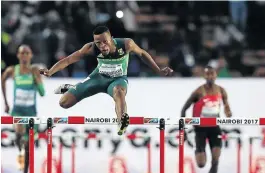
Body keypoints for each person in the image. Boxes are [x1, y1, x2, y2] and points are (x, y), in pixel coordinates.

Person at [40, 26, 173, 135]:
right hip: (97, 78)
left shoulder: (126, 44)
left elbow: (142, 53)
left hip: (117, 80)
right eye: (98, 43)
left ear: (111, 38)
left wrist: (158, 70)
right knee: (64, 103)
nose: (102, 46)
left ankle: (122, 121)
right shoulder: (91, 48)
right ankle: (71, 88)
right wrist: (50, 71)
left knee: (119, 92)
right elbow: (69, 60)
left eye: (105, 41)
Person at [181, 66, 232, 173]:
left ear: (216, 75)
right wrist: (184, 128)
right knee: (201, 164)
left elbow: (226, 106)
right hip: (200, 128)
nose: (210, 76)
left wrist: (228, 112)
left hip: (215, 127)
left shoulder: (221, 90)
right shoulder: (199, 91)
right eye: (207, 74)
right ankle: (198, 149)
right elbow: (184, 109)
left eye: (212, 74)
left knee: (215, 159)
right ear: (204, 76)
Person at [1, 45, 45, 173]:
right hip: (18, 111)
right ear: (18, 55)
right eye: (22, 53)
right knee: (19, 129)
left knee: (29, 148)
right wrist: (6, 102)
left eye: (27, 53)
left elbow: (43, 93)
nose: (24, 55)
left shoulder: (34, 71)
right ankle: (19, 152)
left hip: (31, 113)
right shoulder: (13, 70)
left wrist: (38, 80)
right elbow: (3, 79)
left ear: (31, 55)